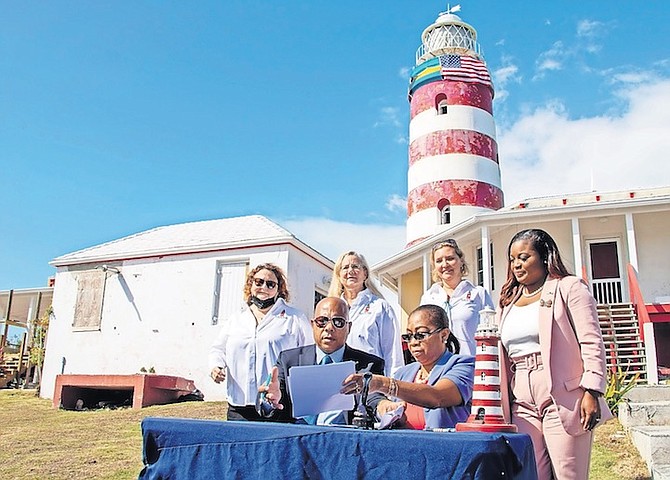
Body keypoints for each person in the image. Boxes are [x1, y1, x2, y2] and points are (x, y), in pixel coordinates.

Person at [497, 229, 613, 480]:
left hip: (562, 394)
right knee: (531, 473)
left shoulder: (569, 287)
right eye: (512, 258)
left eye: (524, 257)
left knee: (567, 473)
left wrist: (592, 390)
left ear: (544, 257)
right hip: (521, 398)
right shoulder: (507, 301)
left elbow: (591, 340)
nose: (517, 264)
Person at [341, 304, 474, 430]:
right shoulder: (403, 373)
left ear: (444, 335)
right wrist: (386, 409)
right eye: (408, 336)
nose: (413, 342)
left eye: (421, 335)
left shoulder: (465, 365)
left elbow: (437, 397)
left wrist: (382, 383)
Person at [208, 263, 313, 421]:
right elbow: (218, 350)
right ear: (251, 285)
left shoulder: (295, 318)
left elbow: (309, 354)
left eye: (270, 284)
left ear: (279, 289)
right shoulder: (237, 318)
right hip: (239, 407)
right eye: (259, 282)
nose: (264, 287)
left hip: (278, 405)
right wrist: (216, 366)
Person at [259, 297, 385, 425]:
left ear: (349, 327)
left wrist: (383, 406)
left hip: (342, 439)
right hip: (297, 438)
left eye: (338, 322)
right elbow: (272, 408)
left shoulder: (369, 365)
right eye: (322, 321)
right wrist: (270, 401)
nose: (329, 328)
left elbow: (374, 399)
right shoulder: (289, 360)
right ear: (312, 325)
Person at [328, 251, 404, 375]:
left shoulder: (380, 307)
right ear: (339, 275)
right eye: (345, 267)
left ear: (365, 273)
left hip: (371, 381)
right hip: (339, 379)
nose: (350, 271)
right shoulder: (330, 309)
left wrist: (393, 388)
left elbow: (393, 354)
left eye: (355, 266)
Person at [420, 239, 494, 356]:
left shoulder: (478, 294)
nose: (445, 264)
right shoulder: (428, 298)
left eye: (450, 258)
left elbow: (491, 335)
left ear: (461, 261)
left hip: (471, 365)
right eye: (439, 261)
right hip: (439, 367)